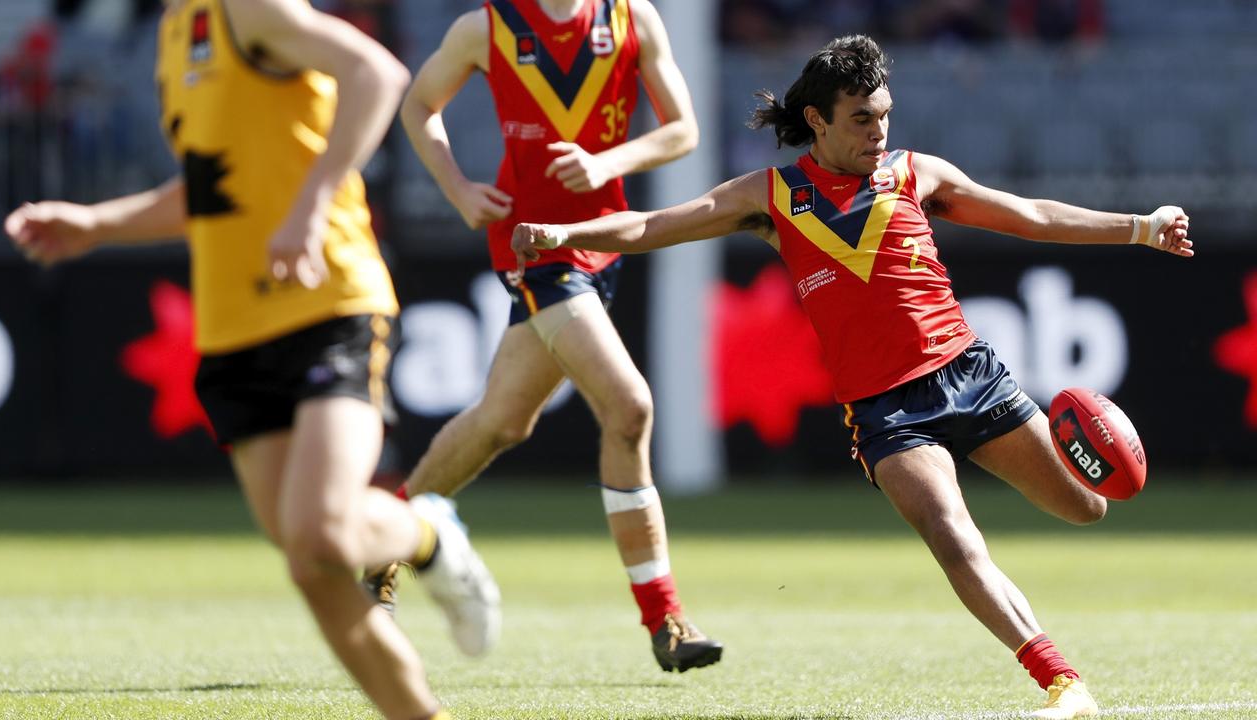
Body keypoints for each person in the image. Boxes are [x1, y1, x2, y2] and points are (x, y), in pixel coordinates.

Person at [511, 34, 1192, 719]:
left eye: (884, 115)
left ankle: (1062, 664)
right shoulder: (772, 196)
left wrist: (1141, 227)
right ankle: (1062, 684)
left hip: (970, 374)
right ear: (818, 120)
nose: (879, 131)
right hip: (886, 411)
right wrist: (562, 234)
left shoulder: (915, 174)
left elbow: (1034, 216)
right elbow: (657, 224)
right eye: (861, 119)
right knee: (950, 533)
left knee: (1087, 505)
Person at [5, 1, 500, 718]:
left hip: (327, 303)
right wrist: (96, 226)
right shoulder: (176, 35)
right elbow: (215, 192)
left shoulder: (251, 9)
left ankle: (427, 535)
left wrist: (311, 203)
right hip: (234, 328)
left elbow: (377, 73)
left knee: (322, 532)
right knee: (311, 562)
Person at [374, 0, 724, 673]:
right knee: (630, 406)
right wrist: (458, 191)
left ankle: (384, 541)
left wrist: (605, 164)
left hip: (603, 241)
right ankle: (665, 618)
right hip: (534, 246)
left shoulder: (630, 17)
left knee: (502, 422)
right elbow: (419, 105)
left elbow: (683, 131)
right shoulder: (489, 27)